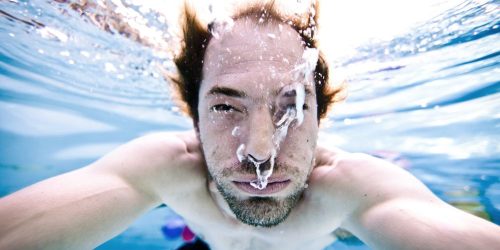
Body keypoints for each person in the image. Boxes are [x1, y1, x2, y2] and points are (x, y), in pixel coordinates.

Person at [1, 1, 499, 249]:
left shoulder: (353, 187)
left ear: (321, 116)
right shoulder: (166, 166)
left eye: (291, 106)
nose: (260, 153)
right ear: (190, 114)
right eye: (225, 107)